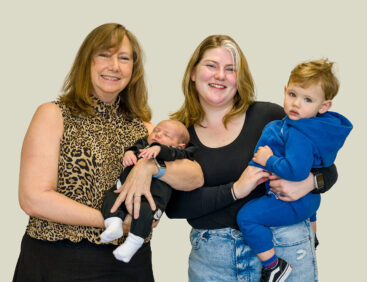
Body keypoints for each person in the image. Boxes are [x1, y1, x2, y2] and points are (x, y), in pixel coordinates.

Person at [13, 23, 202, 282]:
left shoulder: (146, 129)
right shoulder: (53, 115)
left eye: (123, 58)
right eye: (104, 54)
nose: (114, 66)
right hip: (57, 260)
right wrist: (112, 221)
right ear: (86, 62)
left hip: (128, 267)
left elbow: (195, 175)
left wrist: (151, 167)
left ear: (132, 70)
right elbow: (33, 198)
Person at [163, 35, 338, 281]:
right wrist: (235, 189)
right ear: (193, 72)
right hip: (214, 262)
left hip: (284, 247)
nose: (220, 75)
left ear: (240, 78)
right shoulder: (177, 134)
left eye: (230, 69)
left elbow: (328, 170)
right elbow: (174, 207)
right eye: (211, 65)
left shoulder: (271, 116)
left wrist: (309, 183)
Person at [236, 59, 353, 281]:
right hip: (309, 204)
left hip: (292, 201)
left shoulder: (299, 132)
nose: (296, 104)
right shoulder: (304, 126)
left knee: (247, 217)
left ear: (324, 106)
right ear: (285, 90)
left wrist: (268, 160)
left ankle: (273, 267)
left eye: (307, 99)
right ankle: (313, 237)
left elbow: (297, 172)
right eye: (292, 95)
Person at [101, 119, 195, 263]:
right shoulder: (144, 143)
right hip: (124, 190)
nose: (157, 135)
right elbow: (133, 148)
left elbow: (176, 154)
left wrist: (158, 149)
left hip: (152, 198)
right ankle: (113, 224)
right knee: (111, 197)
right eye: (156, 130)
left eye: (166, 135)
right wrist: (129, 154)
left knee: (145, 213)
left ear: (180, 146)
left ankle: (132, 243)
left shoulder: (178, 153)